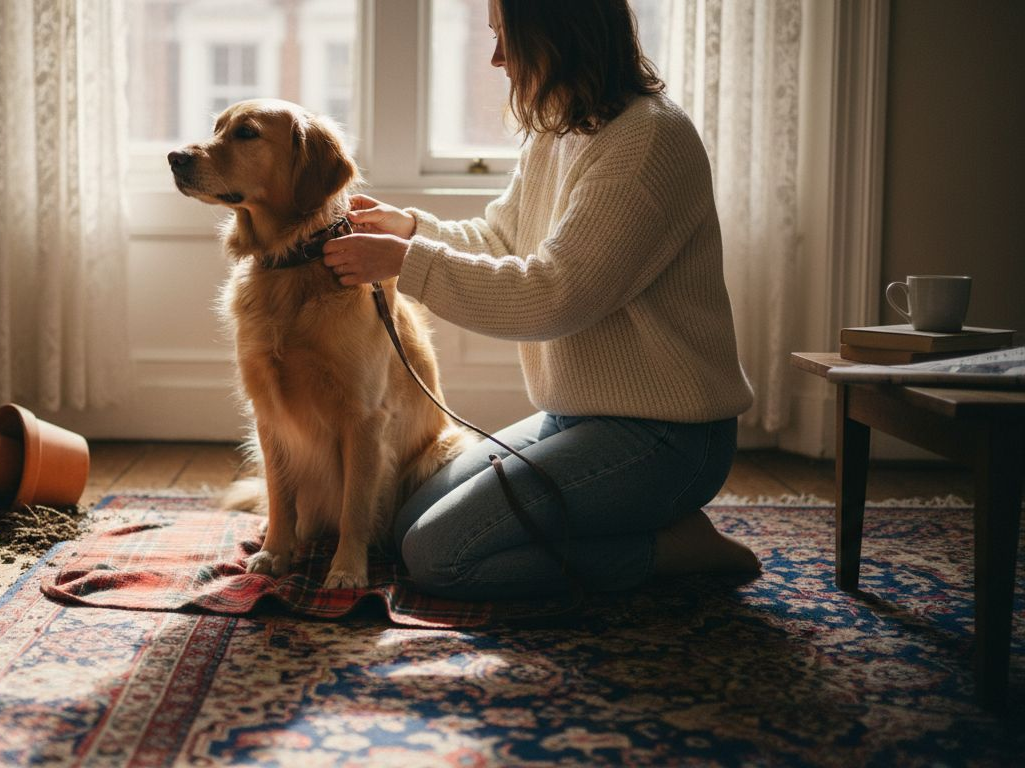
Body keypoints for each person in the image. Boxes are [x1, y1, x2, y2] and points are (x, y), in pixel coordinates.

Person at [321, 0, 761, 599]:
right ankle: (625, 518)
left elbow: (555, 295)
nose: (498, 59)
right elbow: (503, 239)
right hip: (573, 416)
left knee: (438, 557)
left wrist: (407, 262)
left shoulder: (649, 140)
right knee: (403, 521)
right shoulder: (563, 127)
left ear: (560, 34)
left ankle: (669, 548)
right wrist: (411, 229)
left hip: (668, 440)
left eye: (508, 40)